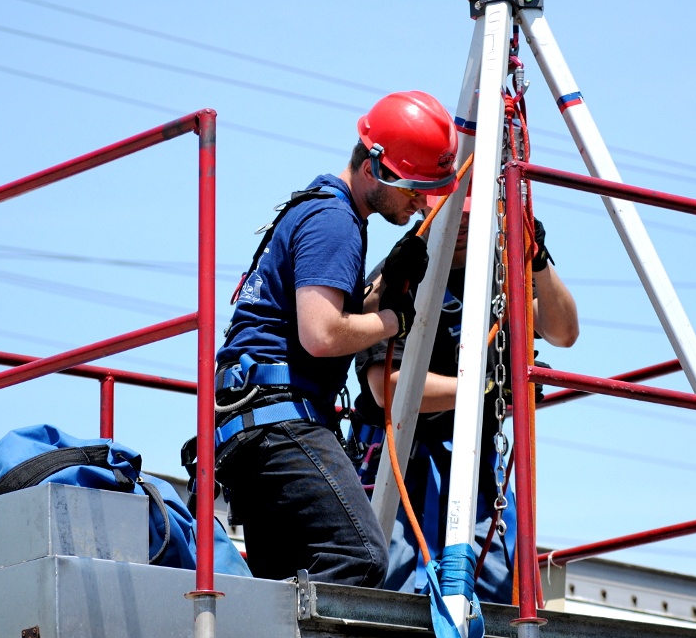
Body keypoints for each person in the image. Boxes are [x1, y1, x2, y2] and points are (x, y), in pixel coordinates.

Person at [208, 91, 459, 587]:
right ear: (374, 168)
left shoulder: (321, 209)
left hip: (253, 422)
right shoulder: (335, 222)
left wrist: (382, 294)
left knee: (285, 576)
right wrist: (393, 321)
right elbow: (321, 335)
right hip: (280, 423)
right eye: (413, 188)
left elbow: (315, 323)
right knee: (361, 555)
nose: (422, 201)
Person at [351, 195, 579, 602]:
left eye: (470, 210)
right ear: (425, 208)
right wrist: (482, 388)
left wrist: (537, 258)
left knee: (489, 585)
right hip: (400, 457)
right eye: (451, 208)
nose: (460, 220)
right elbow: (389, 390)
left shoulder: (502, 271)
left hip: (474, 459)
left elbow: (564, 332)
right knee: (395, 581)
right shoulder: (399, 275)